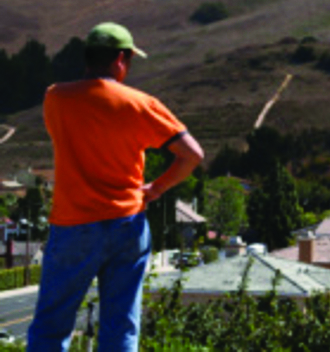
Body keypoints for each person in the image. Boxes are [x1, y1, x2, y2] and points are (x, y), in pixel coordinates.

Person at [27, 23, 204, 352]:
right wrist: (157, 188)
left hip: (73, 226)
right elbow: (192, 155)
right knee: (120, 326)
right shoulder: (141, 104)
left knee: (51, 328)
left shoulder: (56, 98)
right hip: (127, 223)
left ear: (88, 57)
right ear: (121, 59)